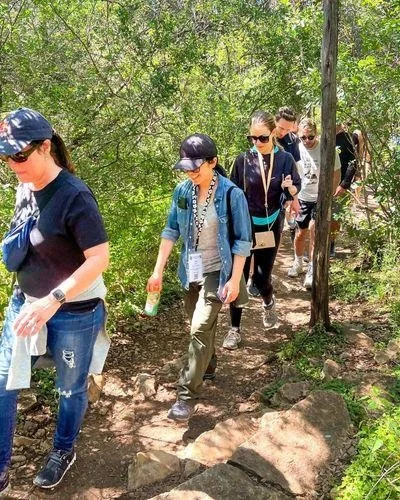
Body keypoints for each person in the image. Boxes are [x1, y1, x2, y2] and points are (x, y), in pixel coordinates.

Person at [0, 108, 109, 493]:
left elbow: (100, 258)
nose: (13, 164)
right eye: (6, 157)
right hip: (25, 304)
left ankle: (63, 450)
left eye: (19, 155)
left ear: (45, 147)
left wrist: (54, 298)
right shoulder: (24, 187)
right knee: (2, 382)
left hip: (73, 311)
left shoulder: (74, 195)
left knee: (69, 388)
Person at [146, 133, 252, 422]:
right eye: (186, 167)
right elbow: (170, 231)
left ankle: (185, 396)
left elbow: (243, 242)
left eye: (196, 167)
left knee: (199, 328)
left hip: (220, 271)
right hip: (191, 271)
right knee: (197, 324)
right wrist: (157, 270)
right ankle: (209, 364)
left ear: (213, 162)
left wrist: (234, 279)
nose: (190, 172)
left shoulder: (232, 194)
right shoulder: (183, 191)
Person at [223, 111, 301, 350]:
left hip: (271, 224)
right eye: (252, 138)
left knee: (260, 277)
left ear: (273, 135)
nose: (257, 143)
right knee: (238, 277)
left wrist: (291, 191)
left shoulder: (285, 158)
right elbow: (232, 193)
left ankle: (268, 301)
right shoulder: (242, 160)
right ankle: (234, 330)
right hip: (245, 226)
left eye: (262, 138)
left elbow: (295, 187)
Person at [287, 118, 341, 289]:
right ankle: (298, 261)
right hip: (302, 197)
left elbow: (336, 172)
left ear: (316, 134)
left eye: (311, 137)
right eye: (304, 137)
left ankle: (312, 268)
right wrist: (291, 198)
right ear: (299, 136)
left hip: (320, 197)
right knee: (300, 233)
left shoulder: (327, 148)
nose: (307, 141)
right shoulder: (295, 149)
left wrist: (328, 196)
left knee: (314, 229)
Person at [331, 122, 359, 256]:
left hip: (339, 185)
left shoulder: (349, 138)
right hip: (319, 185)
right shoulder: (320, 135)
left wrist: (344, 184)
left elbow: (353, 162)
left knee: (335, 216)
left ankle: (331, 244)